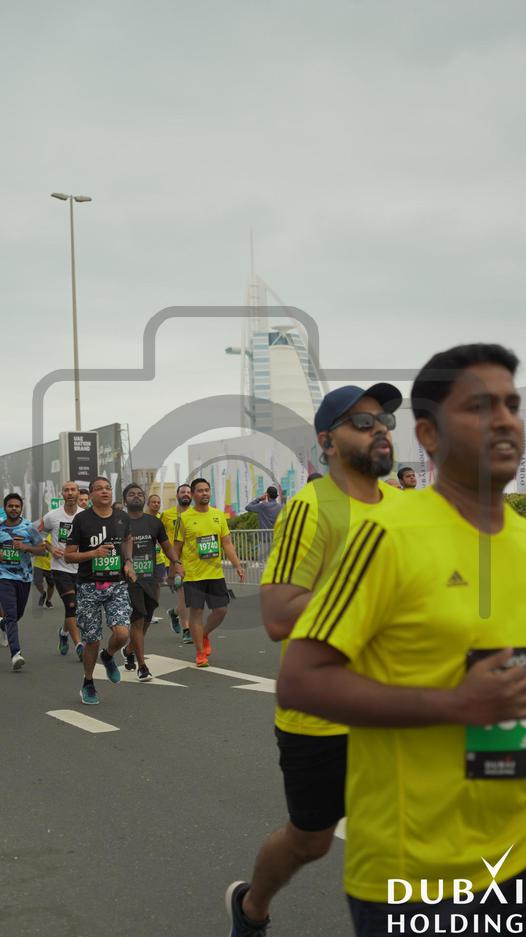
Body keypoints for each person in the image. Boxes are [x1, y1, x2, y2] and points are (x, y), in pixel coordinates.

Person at [278, 344, 526, 934]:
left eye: (512, 405)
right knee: (309, 837)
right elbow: (299, 680)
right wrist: (455, 704)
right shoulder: (389, 535)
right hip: (417, 876)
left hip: (513, 856)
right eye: (479, 407)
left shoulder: (520, 539)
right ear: (430, 436)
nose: (504, 420)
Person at [226, 382, 402, 936]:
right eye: (362, 422)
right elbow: (278, 614)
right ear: (327, 442)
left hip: (395, 708)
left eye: (385, 421)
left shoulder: (409, 507)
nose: (379, 430)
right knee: (310, 841)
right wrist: (374, 595)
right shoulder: (310, 507)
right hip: (322, 716)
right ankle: (251, 906)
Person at [65, 476, 136, 705]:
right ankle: (88, 682)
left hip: (116, 584)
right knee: (92, 640)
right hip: (88, 585)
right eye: (99, 489)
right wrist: (93, 553)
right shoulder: (81, 519)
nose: (105, 492)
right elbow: (68, 555)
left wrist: (128, 561)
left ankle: (108, 656)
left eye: (108, 488)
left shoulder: (122, 517)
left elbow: (128, 539)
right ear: (91, 494)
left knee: (122, 634)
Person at [174, 478, 245, 667]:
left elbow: (227, 543)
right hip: (193, 575)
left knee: (221, 610)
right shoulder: (184, 518)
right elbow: (177, 546)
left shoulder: (218, 515)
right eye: (200, 490)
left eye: (207, 490)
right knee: (196, 613)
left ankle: (203, 634)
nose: (204, 493)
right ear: (193, 494)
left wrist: (237, 565)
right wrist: (176, 567)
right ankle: (200, 653)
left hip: (215, 573)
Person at [120, 484, 178, 681]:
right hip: (129, 578)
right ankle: (142, 666)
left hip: (151, 578)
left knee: (147, 618)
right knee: (137, 619)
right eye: (131, 494)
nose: (136, 497)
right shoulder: (118, 522)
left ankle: (129, 649)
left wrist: (176, 562)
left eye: (139, 494)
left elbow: (167, 546)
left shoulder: (153, 522)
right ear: (125, 500)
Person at [0, 493, 45, 670]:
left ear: (21, 508)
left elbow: (42, 550)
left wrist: (26, 547)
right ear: (5, 508)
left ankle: (3, 623)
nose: (14, 509)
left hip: (24, 578)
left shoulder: (28, 528)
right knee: (11, 615)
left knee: (17, 614)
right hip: (4, 576)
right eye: (10, 506)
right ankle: (16, 654)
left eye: (17, 506)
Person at [41, 480, 84, 660]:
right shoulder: (52, 516)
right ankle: (79, 645)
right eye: (66, 490)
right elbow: (38, 534)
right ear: (62, 494)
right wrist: (51, 548)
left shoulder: (85, 516)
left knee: (75, 608)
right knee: (71, 604)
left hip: (81, 568)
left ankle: (64, 632)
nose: (70, 493)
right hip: (60, 568)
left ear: (78, 493)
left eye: (73, 490)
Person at [162, 484, 193, 643]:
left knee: (191, 597)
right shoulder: (167, 515)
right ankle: (187, 630)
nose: (186, 494)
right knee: (184, 594)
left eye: (188, 492)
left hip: (193, 561)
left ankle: (174, 612)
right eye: (183, 492)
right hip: (174, 560)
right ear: (177, 495)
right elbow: (159, 536)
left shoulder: (196, 514)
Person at [32, 535, 55, 608]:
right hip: (38, 564)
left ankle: (48, 600)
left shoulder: (53, 535)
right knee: (37, 582)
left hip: (51, 566)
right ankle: (43, 593)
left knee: (51, 585)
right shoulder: (36, 534)